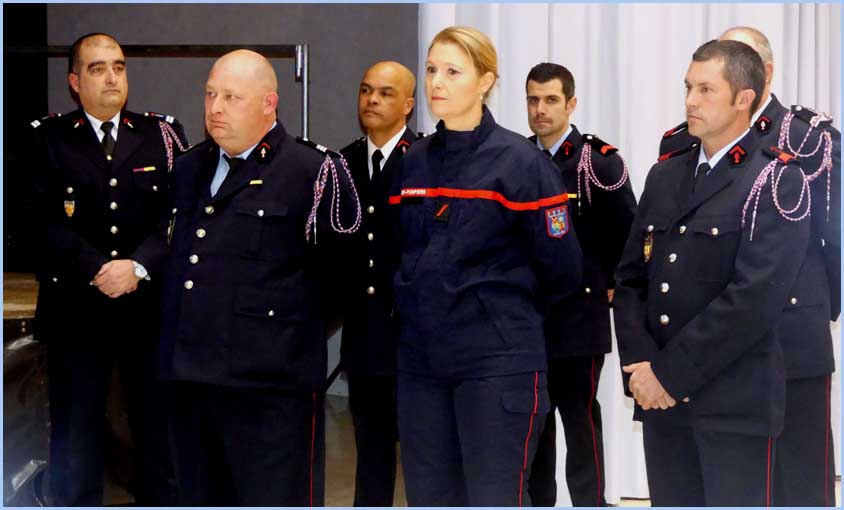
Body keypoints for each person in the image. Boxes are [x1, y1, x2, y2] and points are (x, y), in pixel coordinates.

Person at [390, 26, 583, 506]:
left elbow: (562, 269)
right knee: (429, 497)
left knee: (494, 497)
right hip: (421, 364)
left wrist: (498, 318)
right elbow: (400, 252)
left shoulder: (521, 163)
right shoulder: (413, 161)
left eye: (452, 72)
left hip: (497, 365)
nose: (436, 81)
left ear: (485, 81)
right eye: (431, 69)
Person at [614, 39, 812, 505]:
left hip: (733, 405)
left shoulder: (775, 180)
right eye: (688, 87)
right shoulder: (666, 175)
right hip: (662, 405)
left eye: (706, 90)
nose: (690, 101)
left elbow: (753, 299)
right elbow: (630, 281)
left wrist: (668, 375)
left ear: (744, 98)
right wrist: (643, 371)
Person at [157, 49, 357, 506]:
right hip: (191, 380)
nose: (215, 108)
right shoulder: (188, 167)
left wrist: (286, 339)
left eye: (231, 97)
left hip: (270, 388)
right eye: (210, 94)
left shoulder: (311, 171)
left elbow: (340, 279)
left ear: (269, 103)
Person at [660, 26, 841, 506]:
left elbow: (834, 231)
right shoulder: (682, 142)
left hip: (792, 333)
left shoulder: (808, 138)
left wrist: (825, 305)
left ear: (764, 73)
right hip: (720, 340)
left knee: (802, 477)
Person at [29, 32, 188, 506]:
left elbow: (177, 217)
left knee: (157, 431)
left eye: (118, 66)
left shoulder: (160, 135)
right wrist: (100, 269)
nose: (112, 77)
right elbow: (38, 223)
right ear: (75, 82)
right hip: (77, 310)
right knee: (75, 434)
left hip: (146, 310)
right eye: (97, 69)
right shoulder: (49, 138)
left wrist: (137, 266)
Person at [524, 62, 636, 507]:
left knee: (580, 420)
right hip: (529, 318)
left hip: (579, 318)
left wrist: (611, 285)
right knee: (536, 424)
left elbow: (628, 234)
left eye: (551, 100)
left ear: (571, 104)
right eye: (533, 99)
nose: (540, 109)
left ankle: (591, 504)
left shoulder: (597, 162)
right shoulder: (516, 158)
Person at [337, 60, 419, 507]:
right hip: (365, 333)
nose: (371, 100)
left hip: (415, 335)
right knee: (371, 451)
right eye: (366, 90)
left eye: (386, 93)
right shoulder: (342, 164)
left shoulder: (424, 161)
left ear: (408, 105)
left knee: (425, 454)